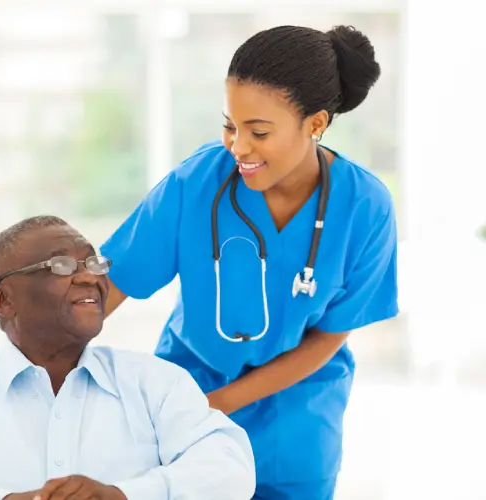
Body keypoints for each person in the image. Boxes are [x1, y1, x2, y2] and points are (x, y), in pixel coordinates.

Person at [99, 25, 398, 499]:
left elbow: (331, 335)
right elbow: (109, 286)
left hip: (296, 417)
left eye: (258, 132)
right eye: (229, 125)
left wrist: (217, 404)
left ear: (316, 123)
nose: (237, 146)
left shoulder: (365, 206)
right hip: (187, 398)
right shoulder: (195, 183)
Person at [0, 215, 256, 500]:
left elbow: (230, 469)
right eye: (62, 265)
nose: (89, 276)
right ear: (2, 299)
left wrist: (123, 496)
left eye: (93, 262)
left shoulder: (155, 383)